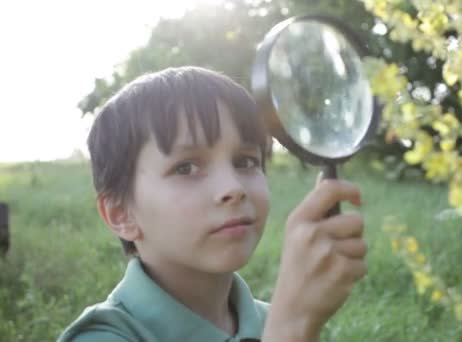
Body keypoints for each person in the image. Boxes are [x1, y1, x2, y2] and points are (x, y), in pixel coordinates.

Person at [58, 66, 367, 341]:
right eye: (186, 168)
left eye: (245, 161)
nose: (233, 188)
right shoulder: (103, 335)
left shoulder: (267, 321)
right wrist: (292, 328)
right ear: (120, 214)